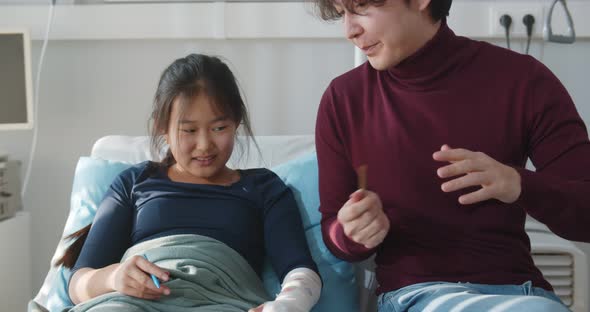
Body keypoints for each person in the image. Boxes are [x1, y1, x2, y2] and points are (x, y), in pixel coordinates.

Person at [312, 0, 590, 311]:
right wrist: (350, 233)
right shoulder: (344, 100)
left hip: (523, 293)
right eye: (341, 13)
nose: (349, 29)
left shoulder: (525, 80)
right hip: (414, 295)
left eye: (361, 7)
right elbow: (333, 232)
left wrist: (518, 184)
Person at [56, 54, 322, 312]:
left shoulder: (264, 187)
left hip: (224, 302)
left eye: (219, 128)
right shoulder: (135, 182)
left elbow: (300, 270)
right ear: (163, 128)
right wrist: (114, 278)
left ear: (236, 121)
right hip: (130, 304)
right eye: (189, 130)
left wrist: (289, 304)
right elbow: (78, 284)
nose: (205, 145)